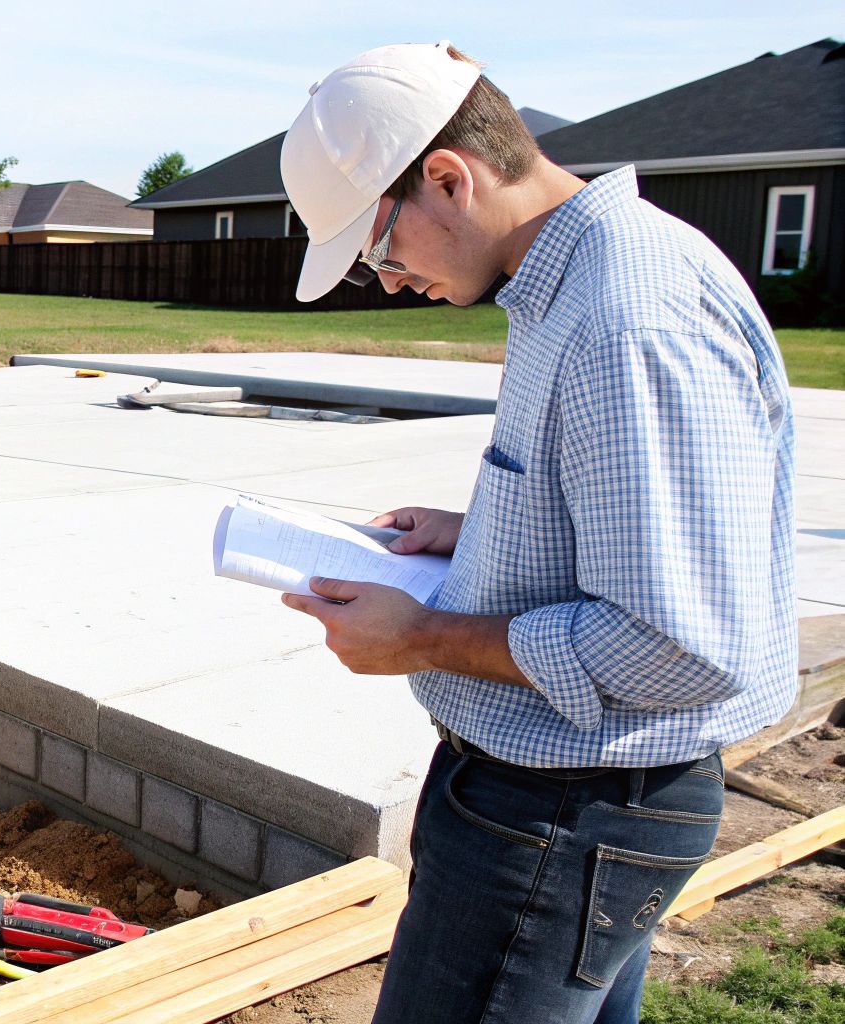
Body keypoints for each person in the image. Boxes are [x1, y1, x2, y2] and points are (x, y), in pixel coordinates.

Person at [275, 42, 798, 1023]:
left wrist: (419, 638)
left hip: (563, 814)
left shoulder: (627, 317)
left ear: (445, 177)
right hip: (566, 804)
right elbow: (634, 536)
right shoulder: (580, 283)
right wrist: (471, 531)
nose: (385, 282)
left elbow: (678, 643)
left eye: (377, 250)